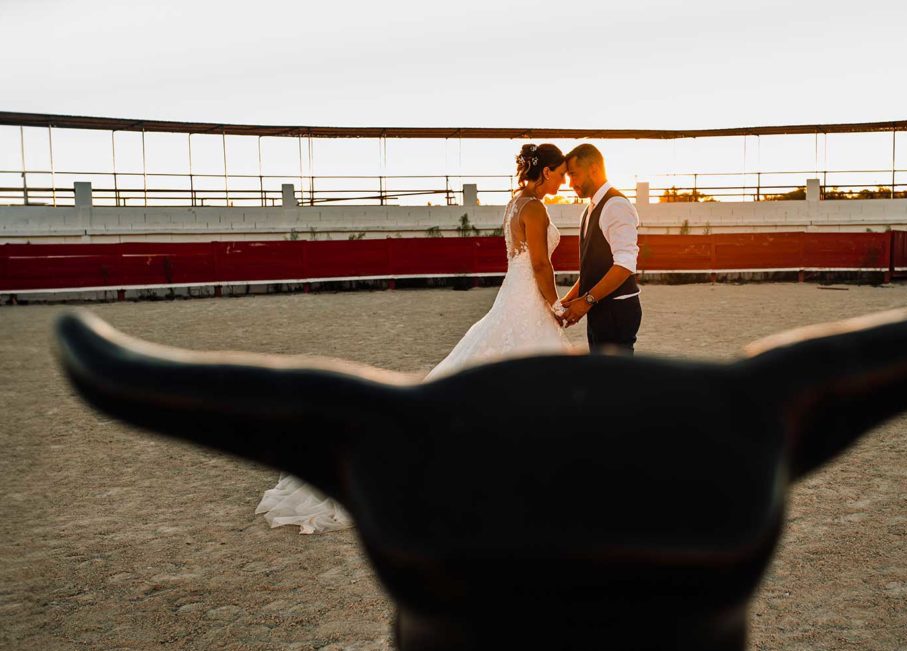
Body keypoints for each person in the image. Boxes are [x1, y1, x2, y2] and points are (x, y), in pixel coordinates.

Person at [256, 143, 574, 533]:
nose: (564, 180)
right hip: (528, 299)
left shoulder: (515, 204)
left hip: (512, 295)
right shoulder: (537, 208)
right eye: (560, 173)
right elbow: (541, 263)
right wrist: (556, 306)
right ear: (546, 172)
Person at [558, 144, 642, 354]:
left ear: (594, 169)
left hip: (617, 309)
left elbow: (625, 265)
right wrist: (570, 299)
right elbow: (594, 266)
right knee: (603, 379)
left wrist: (585, 301)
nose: (570, 183)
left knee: (616, 381)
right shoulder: (590, 209)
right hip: (599, 307)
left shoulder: (615, 205)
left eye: (573, 174)